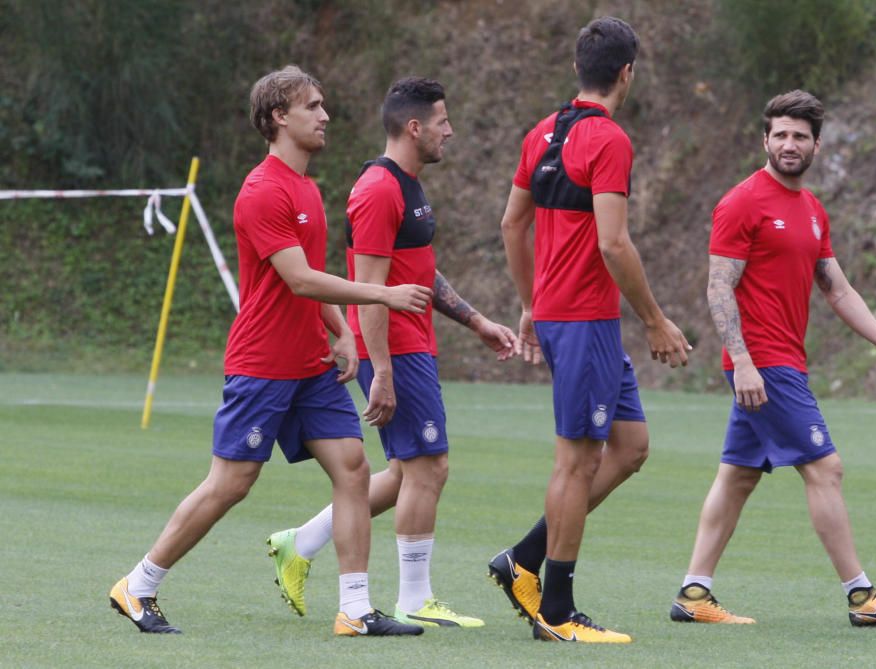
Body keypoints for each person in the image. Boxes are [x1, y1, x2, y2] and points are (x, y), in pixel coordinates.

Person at [108, 65, 433, 638]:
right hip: (262, 364)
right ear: (279, 117)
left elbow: (310, 281)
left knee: (354, 470)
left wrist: (340, 331)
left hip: (311, 366)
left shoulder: (307, 188)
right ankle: (138, 584)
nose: (325, 115)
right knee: (230, 483)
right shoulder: (262, 191)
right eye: (312, 106)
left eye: (323, 105)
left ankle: (355, 610)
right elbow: (300, 279)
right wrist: (380, 294)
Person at [669, 89, 876, 627]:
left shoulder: (812, 211)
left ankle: (694, 595)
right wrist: (741, 360)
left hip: (781, 359)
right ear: (765, 139)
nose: (790, 144)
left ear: (816, 146)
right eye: (781, 134)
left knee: (739, 476)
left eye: (800, 136)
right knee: (826, 469)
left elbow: (837, 289)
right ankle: (863, 598)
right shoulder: (742, 200)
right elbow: (719, 287)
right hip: (763, 361)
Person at [264, 76, 518, 629]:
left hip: (413, 342)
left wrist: (476, 321)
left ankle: (300, 542)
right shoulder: (379, 190)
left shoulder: (407, 185)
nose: (450, 130)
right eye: (443, 121)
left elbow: (419, 270)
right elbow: (371, 287)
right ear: (414, 126)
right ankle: (413, 597)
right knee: (430, 467)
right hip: (397, 349)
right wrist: (381, 370)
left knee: (407, 471)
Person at [489, 16, 691, 643]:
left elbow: (510, 225)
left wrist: (529, 300)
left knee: (629, 447)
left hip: (567, 316)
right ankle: (556, 609)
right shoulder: (608, 140)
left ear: (580, 68)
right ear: (626, 72)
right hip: (582, 321)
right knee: (577, 463)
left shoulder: (541, 133)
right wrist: (655, 320)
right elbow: (614, 242)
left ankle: (522, 558)